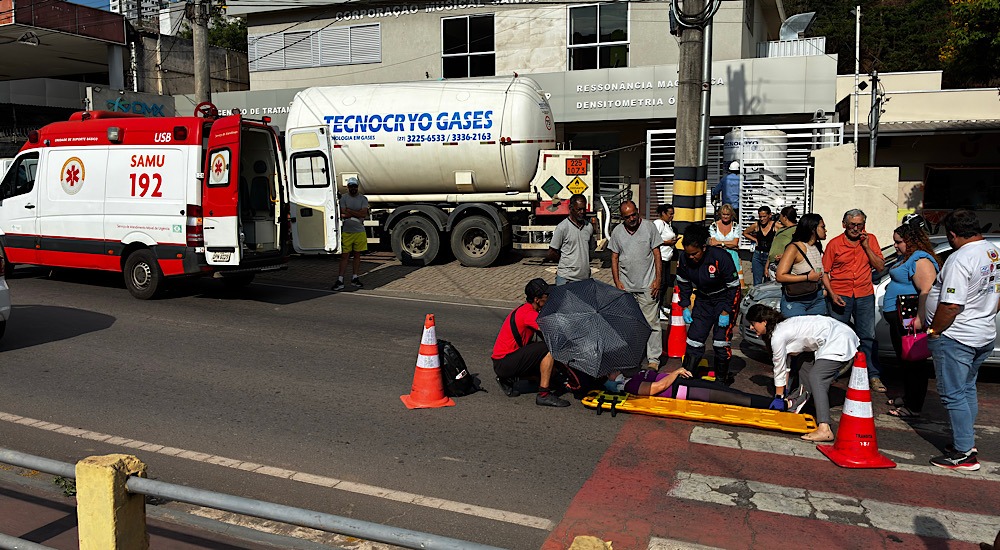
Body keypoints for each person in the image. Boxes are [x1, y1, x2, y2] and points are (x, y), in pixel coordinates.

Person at [925, 209, 1000, 471]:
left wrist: (934, 331)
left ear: (952, 234)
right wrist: (984, 314)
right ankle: (965, 441)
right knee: (967, 389)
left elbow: (951, 305)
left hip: (957, 336)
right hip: (981, 333)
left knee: (953, 394)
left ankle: (964, 453)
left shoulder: (960, 258)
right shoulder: (992, 252)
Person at [746, 304, 860, 442]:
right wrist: (783, 394)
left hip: (838, 338)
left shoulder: (778, 336)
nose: (751, 327)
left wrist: (778, 397)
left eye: (753, 323)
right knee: (804, 363)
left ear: (764, 322)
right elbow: (786, 366)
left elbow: (779, 368)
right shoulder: (781, 327)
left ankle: (825, 429)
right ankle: (798, 401)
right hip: (835, 333)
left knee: (817, 377)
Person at [822, 209, 886, 392]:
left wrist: (866, 247)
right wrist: (832, 294)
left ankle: (873, 375)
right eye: (853, 225)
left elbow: (880, 267)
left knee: (867, 336)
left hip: (864, 294)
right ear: (844, 224)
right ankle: (830, 374)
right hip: (840, 294)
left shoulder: (870, 240)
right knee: (837, 336)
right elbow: (824, 272)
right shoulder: (834, 244)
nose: (856, 229)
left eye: (860, 225)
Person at [882, 220, 940, 419]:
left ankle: (914, 406)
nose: (895, 246)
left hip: (910, 319)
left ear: (911, 241)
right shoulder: (906, 257)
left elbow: (926, 290)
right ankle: (908, 397)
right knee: (905, 361)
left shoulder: (920, 259)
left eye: (899, 242)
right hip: (898, 318)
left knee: (914, 364)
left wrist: (920, 318)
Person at [676, 224, 741, 383]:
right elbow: (683, 283)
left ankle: (721, 380)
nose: (691, 257)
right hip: (703, 299)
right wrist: (685, 305)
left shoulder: (720, 257)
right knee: (694, 339)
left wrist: (726, 311)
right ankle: (687, 376)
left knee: (720, 341)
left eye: (694, 254)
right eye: (688, 254)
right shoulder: (684, 259)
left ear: (703, 248)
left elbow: (734, 287)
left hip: (724, 299)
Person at [492, 278, 570, 407]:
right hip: (504, 363)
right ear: (537, 299)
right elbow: (554, 331)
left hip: (505, 361)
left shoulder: (528, 309)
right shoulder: (528, 314)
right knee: (549, 348)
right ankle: (543, 395)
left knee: (553, 374)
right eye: (547, 296)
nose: (549, 298)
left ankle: (510, 379)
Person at [603, 366, 810, 413]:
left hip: (685, 385)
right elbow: (657, 387)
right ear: (611, 380)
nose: (614, 370)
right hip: (686, 391)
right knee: (736, 398)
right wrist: (676, 372)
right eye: (610, 373)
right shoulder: (628, 385)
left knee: (732, 393)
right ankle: (785, 405)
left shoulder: (630, 377)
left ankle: (783, 403)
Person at [610, 201, 662, 370]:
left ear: (638, 211)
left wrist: (658, 280)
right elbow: (614, 257)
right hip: (626, 287)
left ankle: (654, 359)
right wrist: (617, 281)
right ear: (622, 218)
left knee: (652, 323)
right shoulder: (617, 232)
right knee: (629, 324)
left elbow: (657, 254)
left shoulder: (649, 227)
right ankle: (632, 357)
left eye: (634, 214)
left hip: (648, 285)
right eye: (627, 217)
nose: (632, 218)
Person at [775, 213, 834, 317]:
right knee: (798, 327)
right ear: (813, 229)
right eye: (822, 227)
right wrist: (807, 277)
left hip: (817, 299)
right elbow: (780, 276)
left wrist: (828, 292)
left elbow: (820, 272)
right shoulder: (794, 248)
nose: (825, 230)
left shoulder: (816, 247)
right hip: (796, 300)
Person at [547, 193, 597, 285]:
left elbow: (590, 249)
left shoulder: (588, 227)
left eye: (584, 209)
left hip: (584, 279)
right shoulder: (562, 227)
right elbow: (551, 252)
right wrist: (566, 263)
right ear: (571, 208)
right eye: (579, 209)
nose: (582, 212)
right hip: (566, 279)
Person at [331, 177, 370, 291]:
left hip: (359, 231)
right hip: (347, 232)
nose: (353, 188)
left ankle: (355, 277)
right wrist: (356, 213)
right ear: (347, 187)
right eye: (351, 186)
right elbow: (343, 212)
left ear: (357, 187)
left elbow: (363, 214)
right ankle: (340, 279)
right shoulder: (343, 198)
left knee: (357, 255)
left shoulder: (363, 198)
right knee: (345, 256)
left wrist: (349, 212)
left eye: (355, 186)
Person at [652, 204, 678, 315]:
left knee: (666, 282)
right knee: (661, 283)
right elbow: (653, 239)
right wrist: (668, 242)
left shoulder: (668, 225)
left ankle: (661, 305)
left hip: (667, 258)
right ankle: (657, 308)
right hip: (660, 258)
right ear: (663, 213)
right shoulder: (659, 223)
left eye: (673, 214)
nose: (671, 216)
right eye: (670, 214)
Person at [709, 203, 742, 287]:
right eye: (723, 214)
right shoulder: (714, 226)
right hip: (717, 256)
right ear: (720, 214)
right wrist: (728, 244)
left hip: (732, 256)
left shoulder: (735, 226)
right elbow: (713, 243)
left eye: (728, 215)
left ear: (731, 215)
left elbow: (735, 243)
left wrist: (720, 243)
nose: (725, 217)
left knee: (733, 280)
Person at [743, 206, 776, 286]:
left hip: (769, 255)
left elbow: (786, 233)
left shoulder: (775, 225)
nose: (762, 219)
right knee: (757, 282)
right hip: (758, 255)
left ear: (769, 215)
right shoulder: (757, 225)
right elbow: (745, 233)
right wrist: (754, 239)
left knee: (768, 282)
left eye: (764, 216)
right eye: (760, 217)